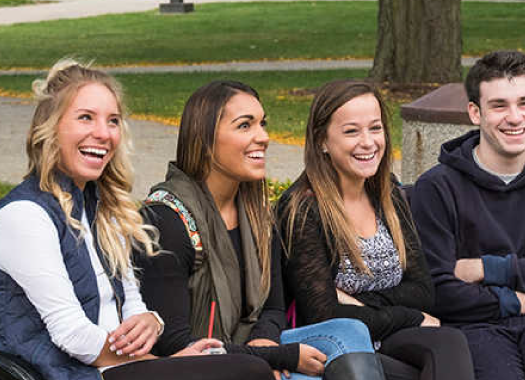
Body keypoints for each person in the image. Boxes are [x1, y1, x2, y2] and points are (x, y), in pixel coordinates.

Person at [0, 59, 270, 380]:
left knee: (227, 361)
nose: (103, 133)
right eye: (86, 117)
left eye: (113, 121)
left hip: (122, 367)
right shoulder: (24, 215)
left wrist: (150, 321)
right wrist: (161, 362)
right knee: (247, 369)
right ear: (51, 127)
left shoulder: (105, 210)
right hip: (69, 374)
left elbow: (133, 304)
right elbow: (71, 335)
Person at [135, 79, 384, 380]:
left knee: (348, 331)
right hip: (199, 365)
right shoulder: (166, 219)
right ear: (204, 139)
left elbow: (274, 308)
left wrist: (264, 344)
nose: (263, 137)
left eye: (262, 124)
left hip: (249, 352)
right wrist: (275, 356)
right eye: (245, 126)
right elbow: (174, 344)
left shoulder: (257, 214)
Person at [276, 80, 475, 380]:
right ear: (322, 141)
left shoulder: (388, 193)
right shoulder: (303, 209)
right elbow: (325, 315)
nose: (368, 142)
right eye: (352, 131)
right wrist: (409, 315)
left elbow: (423, 291)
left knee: (449, 343)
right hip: (337, 350)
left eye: (375, 128)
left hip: (388, 335)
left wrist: (359, 302)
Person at [408, 51, 525, 380]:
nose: (515, 117)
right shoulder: (437, 188)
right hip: (472, 326)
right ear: (475, 112)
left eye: (524, 103)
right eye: (499, 105)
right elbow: (438, 290)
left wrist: (485, 268)